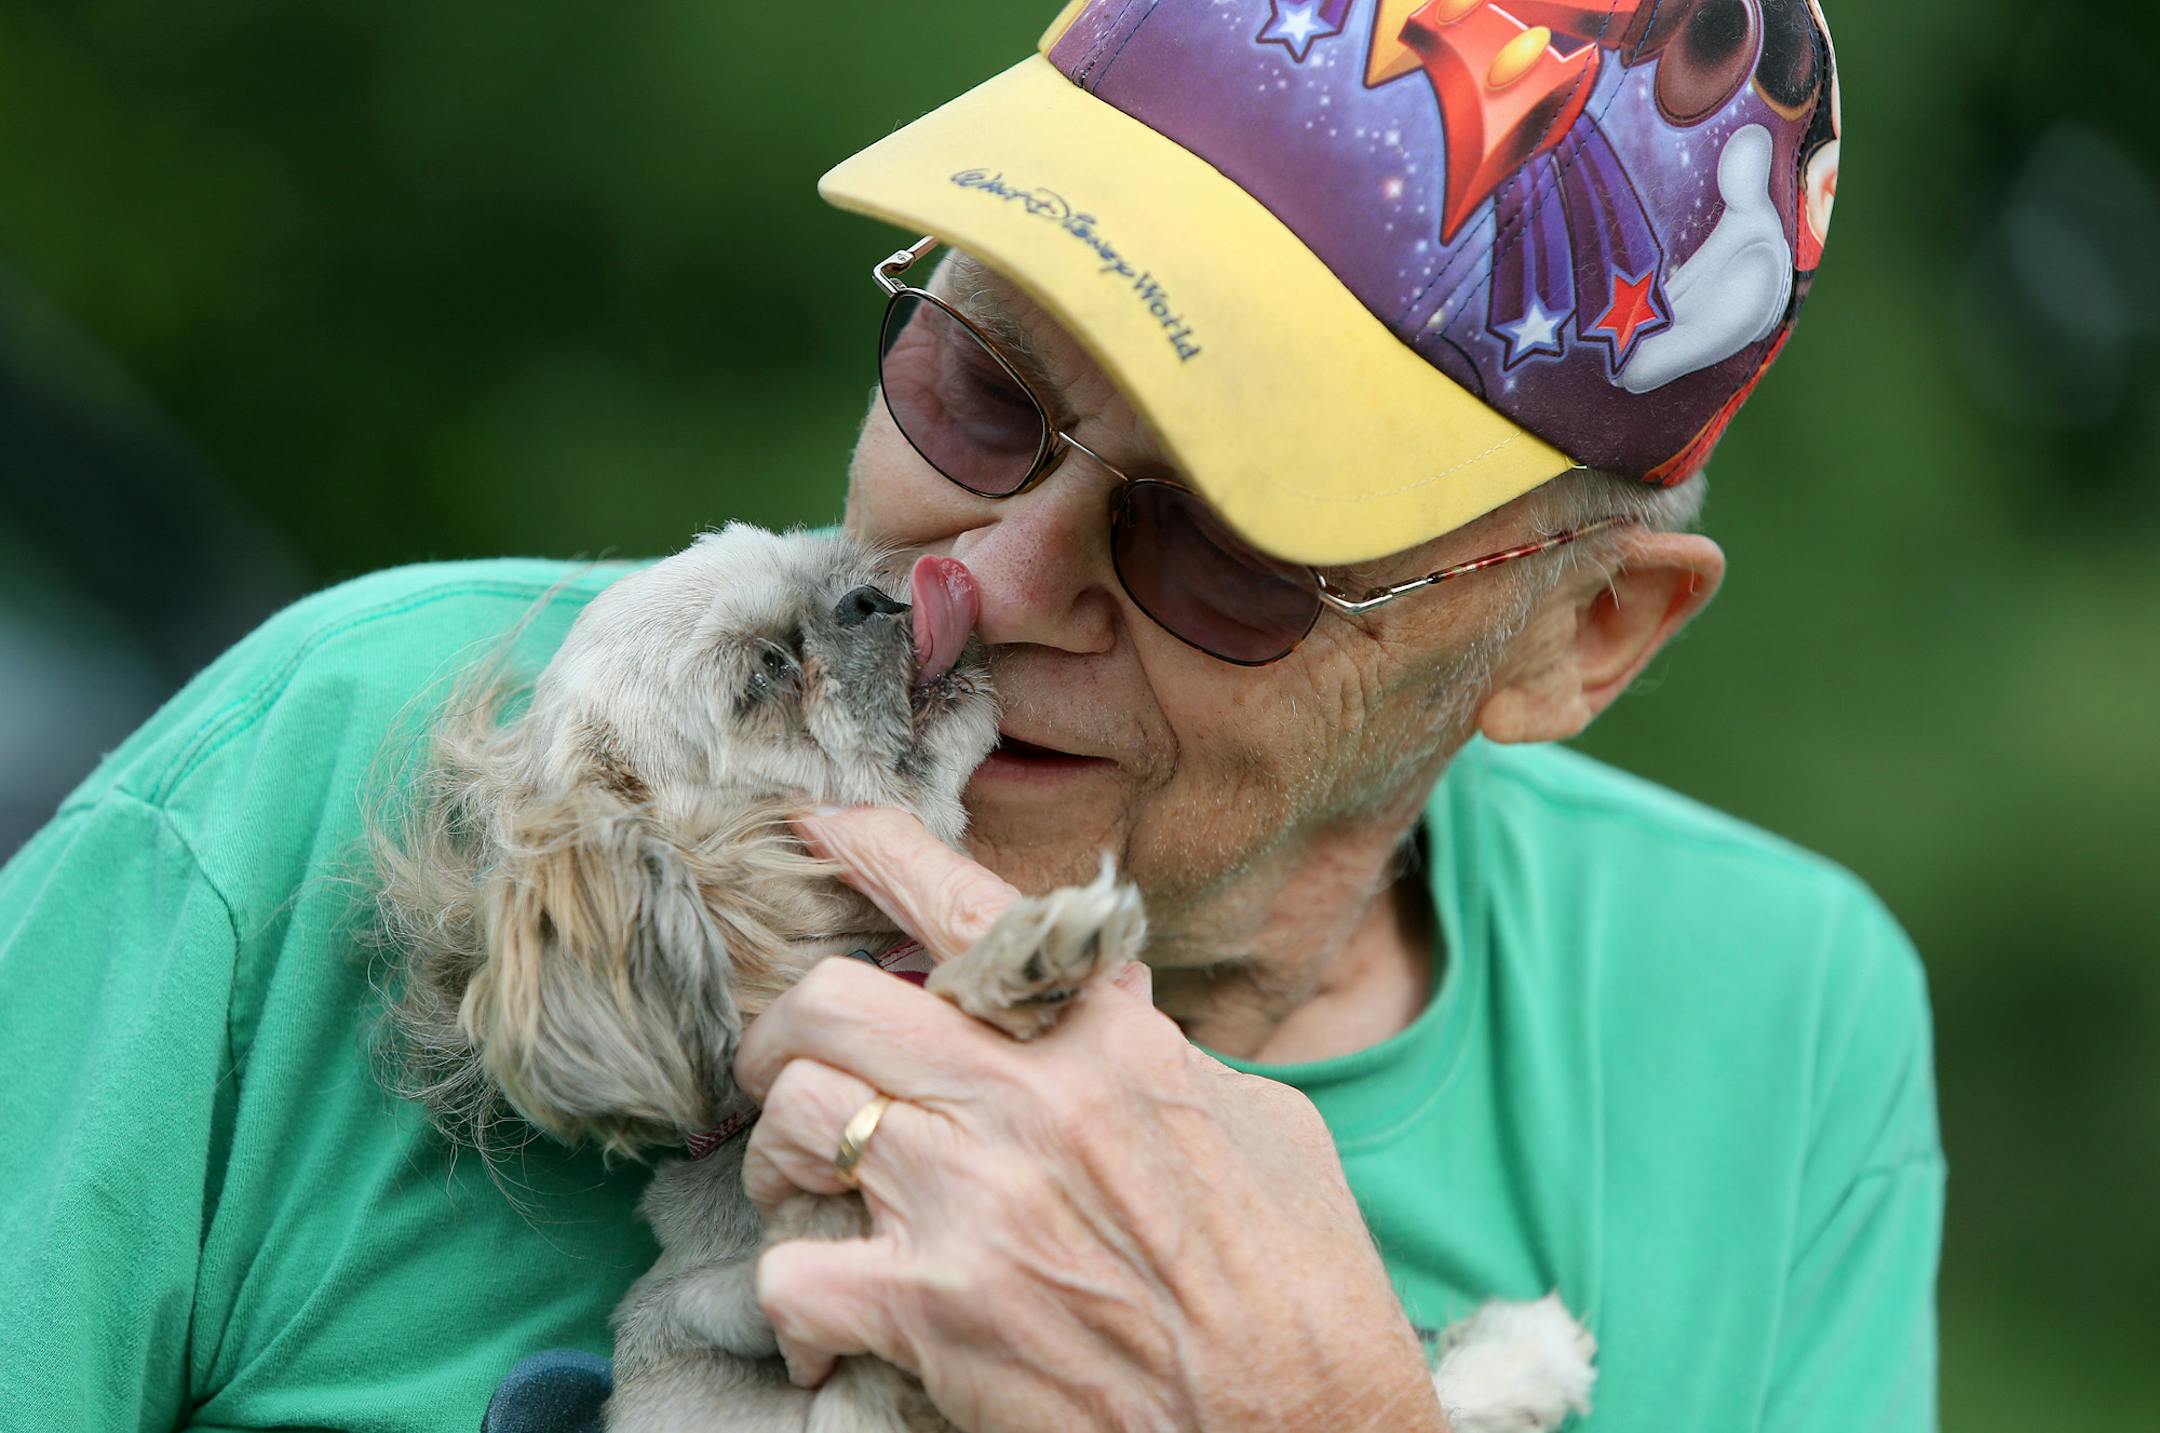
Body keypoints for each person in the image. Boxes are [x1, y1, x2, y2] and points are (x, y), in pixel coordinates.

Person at [0, 3, 1939, 1431]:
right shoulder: (328, 780)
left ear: (1576, 638)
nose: (984, 580)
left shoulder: (1766, 1042)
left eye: (1220, 543)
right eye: (975, 388)